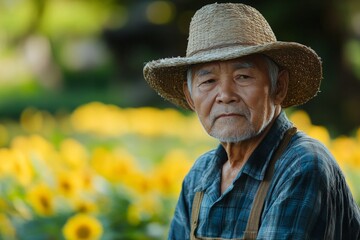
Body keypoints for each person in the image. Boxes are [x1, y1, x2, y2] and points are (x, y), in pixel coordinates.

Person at [143, 3, 360, 240]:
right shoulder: (200, 175)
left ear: (279, 87)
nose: (225, 95)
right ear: (190, 97)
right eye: (208, 81)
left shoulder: (302, 165)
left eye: (243, 77)